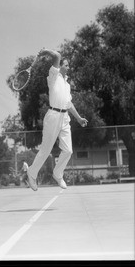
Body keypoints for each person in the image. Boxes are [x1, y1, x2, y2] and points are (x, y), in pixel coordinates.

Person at [25, 48, 88, 191]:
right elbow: (57, 55)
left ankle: (58, 174)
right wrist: (45, 51)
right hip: (53, 116)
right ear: (60, 66)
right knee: (46, 150)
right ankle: (31, 173)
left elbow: (69, 103)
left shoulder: (67, 85)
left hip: (65, 117)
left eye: (68, 65)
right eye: (66, 64)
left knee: (68, 151)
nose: (68, 67)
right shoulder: (53, 76)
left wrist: (78, 118)